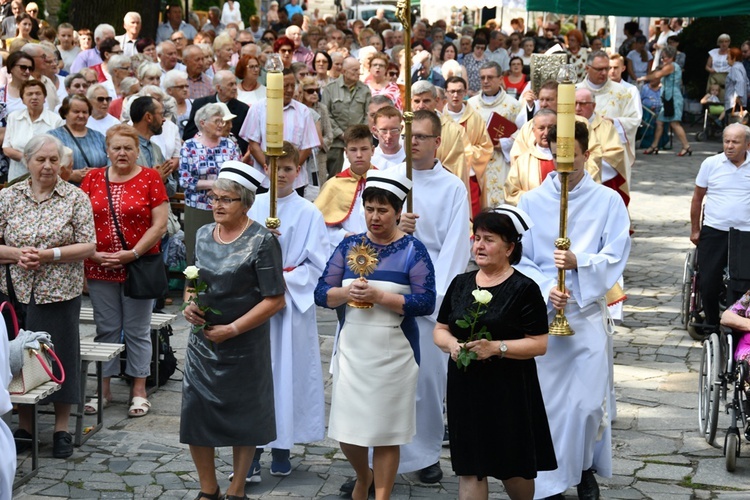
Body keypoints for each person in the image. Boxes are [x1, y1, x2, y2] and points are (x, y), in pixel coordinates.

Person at [515, 121, 631, 499]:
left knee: (585, 406)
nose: (565, 166)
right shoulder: (530, 202)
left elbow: (616, 255)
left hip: (584, 312)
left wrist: (579, 264)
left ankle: (582, 468)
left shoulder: (607, 201)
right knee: (548, 405)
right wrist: (548, 288)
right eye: (557, 157)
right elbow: (522, 260)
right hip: (544, 315)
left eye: (573, 158)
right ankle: (549, 479)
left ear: (586, 154)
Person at [315, 168, 436, 500]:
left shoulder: (413, 251)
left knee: (387, 433)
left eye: (383, 210)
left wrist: (381, 297)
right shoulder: (349, 246)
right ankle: (362, 475)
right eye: (369, 208)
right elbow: (321, 293)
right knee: (347, 432)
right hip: (353, 347)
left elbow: (425, 302)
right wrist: (347, 293)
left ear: (398, 212)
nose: (375, 216)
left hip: (395, 350)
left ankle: (381, 495)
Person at [433, 206, 557, 500]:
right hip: (466, 388)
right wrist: (452, 345)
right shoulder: (460, 283)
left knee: (513, 468)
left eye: (488, 239)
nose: (479, 245)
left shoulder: (524, 289)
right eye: (476, 238)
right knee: (471, 467)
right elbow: (440, 330)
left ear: (510, 247)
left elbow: (539, 343)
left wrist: (496, 348)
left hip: (509, 388)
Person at [180, 160, 285, 500]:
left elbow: (275, 300)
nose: (218, 205)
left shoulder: (262, 240)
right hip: (203, 344)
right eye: (214, 198)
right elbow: (192, 281)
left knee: (245, 416)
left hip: (245, 345)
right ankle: (207, 490)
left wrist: (234, 329)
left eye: (226, 199)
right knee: (196, 412)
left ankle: (236, 490)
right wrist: (189, 305)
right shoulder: (200, 234)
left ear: (246, 203)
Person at [2, 134, 95, 459]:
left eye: (54, 160)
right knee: (17, 360)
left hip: (58, 293)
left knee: (62, 356)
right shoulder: (9, 197)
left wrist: (49, 255)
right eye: (40, 159)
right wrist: (17, 253)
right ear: (27, 161)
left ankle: (61, 429)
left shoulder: (75, 197)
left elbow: (88, 246)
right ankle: (26, 427)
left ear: (62, 163)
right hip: (15, 294)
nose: (47, 166)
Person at [391, 110, 470, 485]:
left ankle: (424, 454)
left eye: (423, 136)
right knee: (385, 380)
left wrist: (431, 297)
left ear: (438, 141)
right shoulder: (392, 179)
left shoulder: (453, 188)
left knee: (427, 383)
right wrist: (395, 226)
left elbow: (455, 249)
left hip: (430, 294)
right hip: (387, 289)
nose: (415, 142)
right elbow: (366, 228)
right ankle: (379, 456)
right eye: (411, 136)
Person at [240, 142, 327, 480]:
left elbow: (318, 262)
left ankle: (282, 447)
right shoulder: (252, 206)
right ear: (266, 170)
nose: (281, 176)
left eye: (288, 169)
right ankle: (252, 450)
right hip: (254, 302)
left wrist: (283, 275)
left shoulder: (309, 212)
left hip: (290, 304)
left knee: (287, 375)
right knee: (256, 377)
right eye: (275, 169)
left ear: (298, 172)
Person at [80, 124, 169, 418]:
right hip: (99, 265)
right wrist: (92, 253)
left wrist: (131, 254)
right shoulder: (92, 178)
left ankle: (139, 390)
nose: (122, 153)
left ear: (137, 151)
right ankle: (102, 389)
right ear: (107, 150)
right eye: (116, 147)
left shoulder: (150, 178)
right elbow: (78, 221)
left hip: (138, 267)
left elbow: (159, 225)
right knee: (105, 329)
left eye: (128, 148)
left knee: (137, 330)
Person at [691, 123, 750, 334]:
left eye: (735, 142)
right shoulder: (711, 164)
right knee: (708, 280)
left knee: (742, 281)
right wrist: (695, 229)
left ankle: (735, 323)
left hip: (745, 233)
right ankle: (711, 324)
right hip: (715, 230)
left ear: (747, 145)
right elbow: (697, 199)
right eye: (727, 141)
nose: (730, 146)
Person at [179, 103, 242, 265]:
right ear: (202, 123)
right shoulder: (189, 146)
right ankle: (194, 289)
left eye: (223, 121)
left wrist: (220, 190)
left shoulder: (230, 145)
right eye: (217, 121)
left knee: (223, 253)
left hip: (227, 206)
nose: (222, 124)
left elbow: (237, 175)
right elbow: (185, 180)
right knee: (196, 254)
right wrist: (213, 185)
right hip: (198, 207)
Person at [240, 68, 319, 195]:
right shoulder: (258, 109)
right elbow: (254, 146)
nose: (289, 90)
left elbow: (307, 148)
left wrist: (288, 170)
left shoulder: (303, 111)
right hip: (264, 179)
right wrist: (271, 169)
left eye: (292, 86)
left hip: (295, 182)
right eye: (285, 86)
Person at [467, 61, 522, 207]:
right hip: (478, 164)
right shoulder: (470, 105)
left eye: (490, 77)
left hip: (503, 163)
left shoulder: (514, 105)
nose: (485, 81)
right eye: (482, 77)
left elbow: (523, 135)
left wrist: (503, 144)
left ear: (500, 79)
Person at [443, 76, 493, 217]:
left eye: (459, 91)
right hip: (446, 176)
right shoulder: (439, 118)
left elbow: (486, 147)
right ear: (445, 93)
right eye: (451, 91)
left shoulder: (475, 118)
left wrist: (465, 154)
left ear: (465, 92)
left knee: (471, 215)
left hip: (469, 177)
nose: (455, 95)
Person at [3, 80, 63, 181]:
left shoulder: (56, 121)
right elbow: (6, 148)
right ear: (22, 99)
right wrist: (28, 159)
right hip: (17, 178)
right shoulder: (14, 118)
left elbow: (59, 151)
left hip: (45, 178)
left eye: (38, 93)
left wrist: (35, 161)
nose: (34, 97)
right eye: (29, 94)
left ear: (44, 98)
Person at [322, 57, 371, 177]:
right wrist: (341, 134)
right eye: (354, 70)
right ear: (344, 71)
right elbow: (325, 115)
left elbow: (368, 114)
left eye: (359, 69)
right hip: (337, 144)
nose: (358, 73)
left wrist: (358, 135)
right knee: (336, 177)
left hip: (358, 143)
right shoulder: (330, 89)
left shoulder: (365, 90)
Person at [638, 46, 692, 157]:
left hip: (673, 98)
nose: (662, 59)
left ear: (671, 57)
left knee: (674, 123)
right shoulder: (668, 66)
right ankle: (654, 145)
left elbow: (658, 75)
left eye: (664, 57)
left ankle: (686, 146)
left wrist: (643, 78)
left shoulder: (671, 67)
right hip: (667, 98)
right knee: (659, 122)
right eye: (662, 57)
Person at [183, 70, 250, 155]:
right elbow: (188, 133)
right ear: (219, 88)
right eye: (231, 84)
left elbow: (244, 139)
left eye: (235, 84)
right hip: (201, 153)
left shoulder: (243, 109)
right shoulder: (200, 104)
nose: (235, 88)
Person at [48, 95, 107, 183]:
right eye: (76, 112)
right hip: (65, 192)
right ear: (65, 113)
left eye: (85, 112)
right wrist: (69, 175)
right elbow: (46, 165)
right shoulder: (53, 137)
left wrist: (98, 173)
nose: (81, 115)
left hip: (95, 190)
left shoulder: (99, 137)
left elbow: (112, 164)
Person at [706, 33, 731, 99]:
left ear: (729, 42)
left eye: (726, 41)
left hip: (726, 77)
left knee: (725, 97)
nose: (724, 44)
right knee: (712, 98)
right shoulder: (713, 52)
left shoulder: (731, 53)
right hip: (714, 77)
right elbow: (707, 66)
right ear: (718, 43)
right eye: (722, 42)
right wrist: (710, 70)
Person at [725, 47, 748, 113]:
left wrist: (739, 96)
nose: (726, 59)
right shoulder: (741, 66)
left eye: (728, 57)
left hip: (734, 103)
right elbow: (747, 82)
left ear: (734, 58)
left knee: (732, 121)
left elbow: (740, 81)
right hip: (740, 102)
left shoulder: (735, 68)